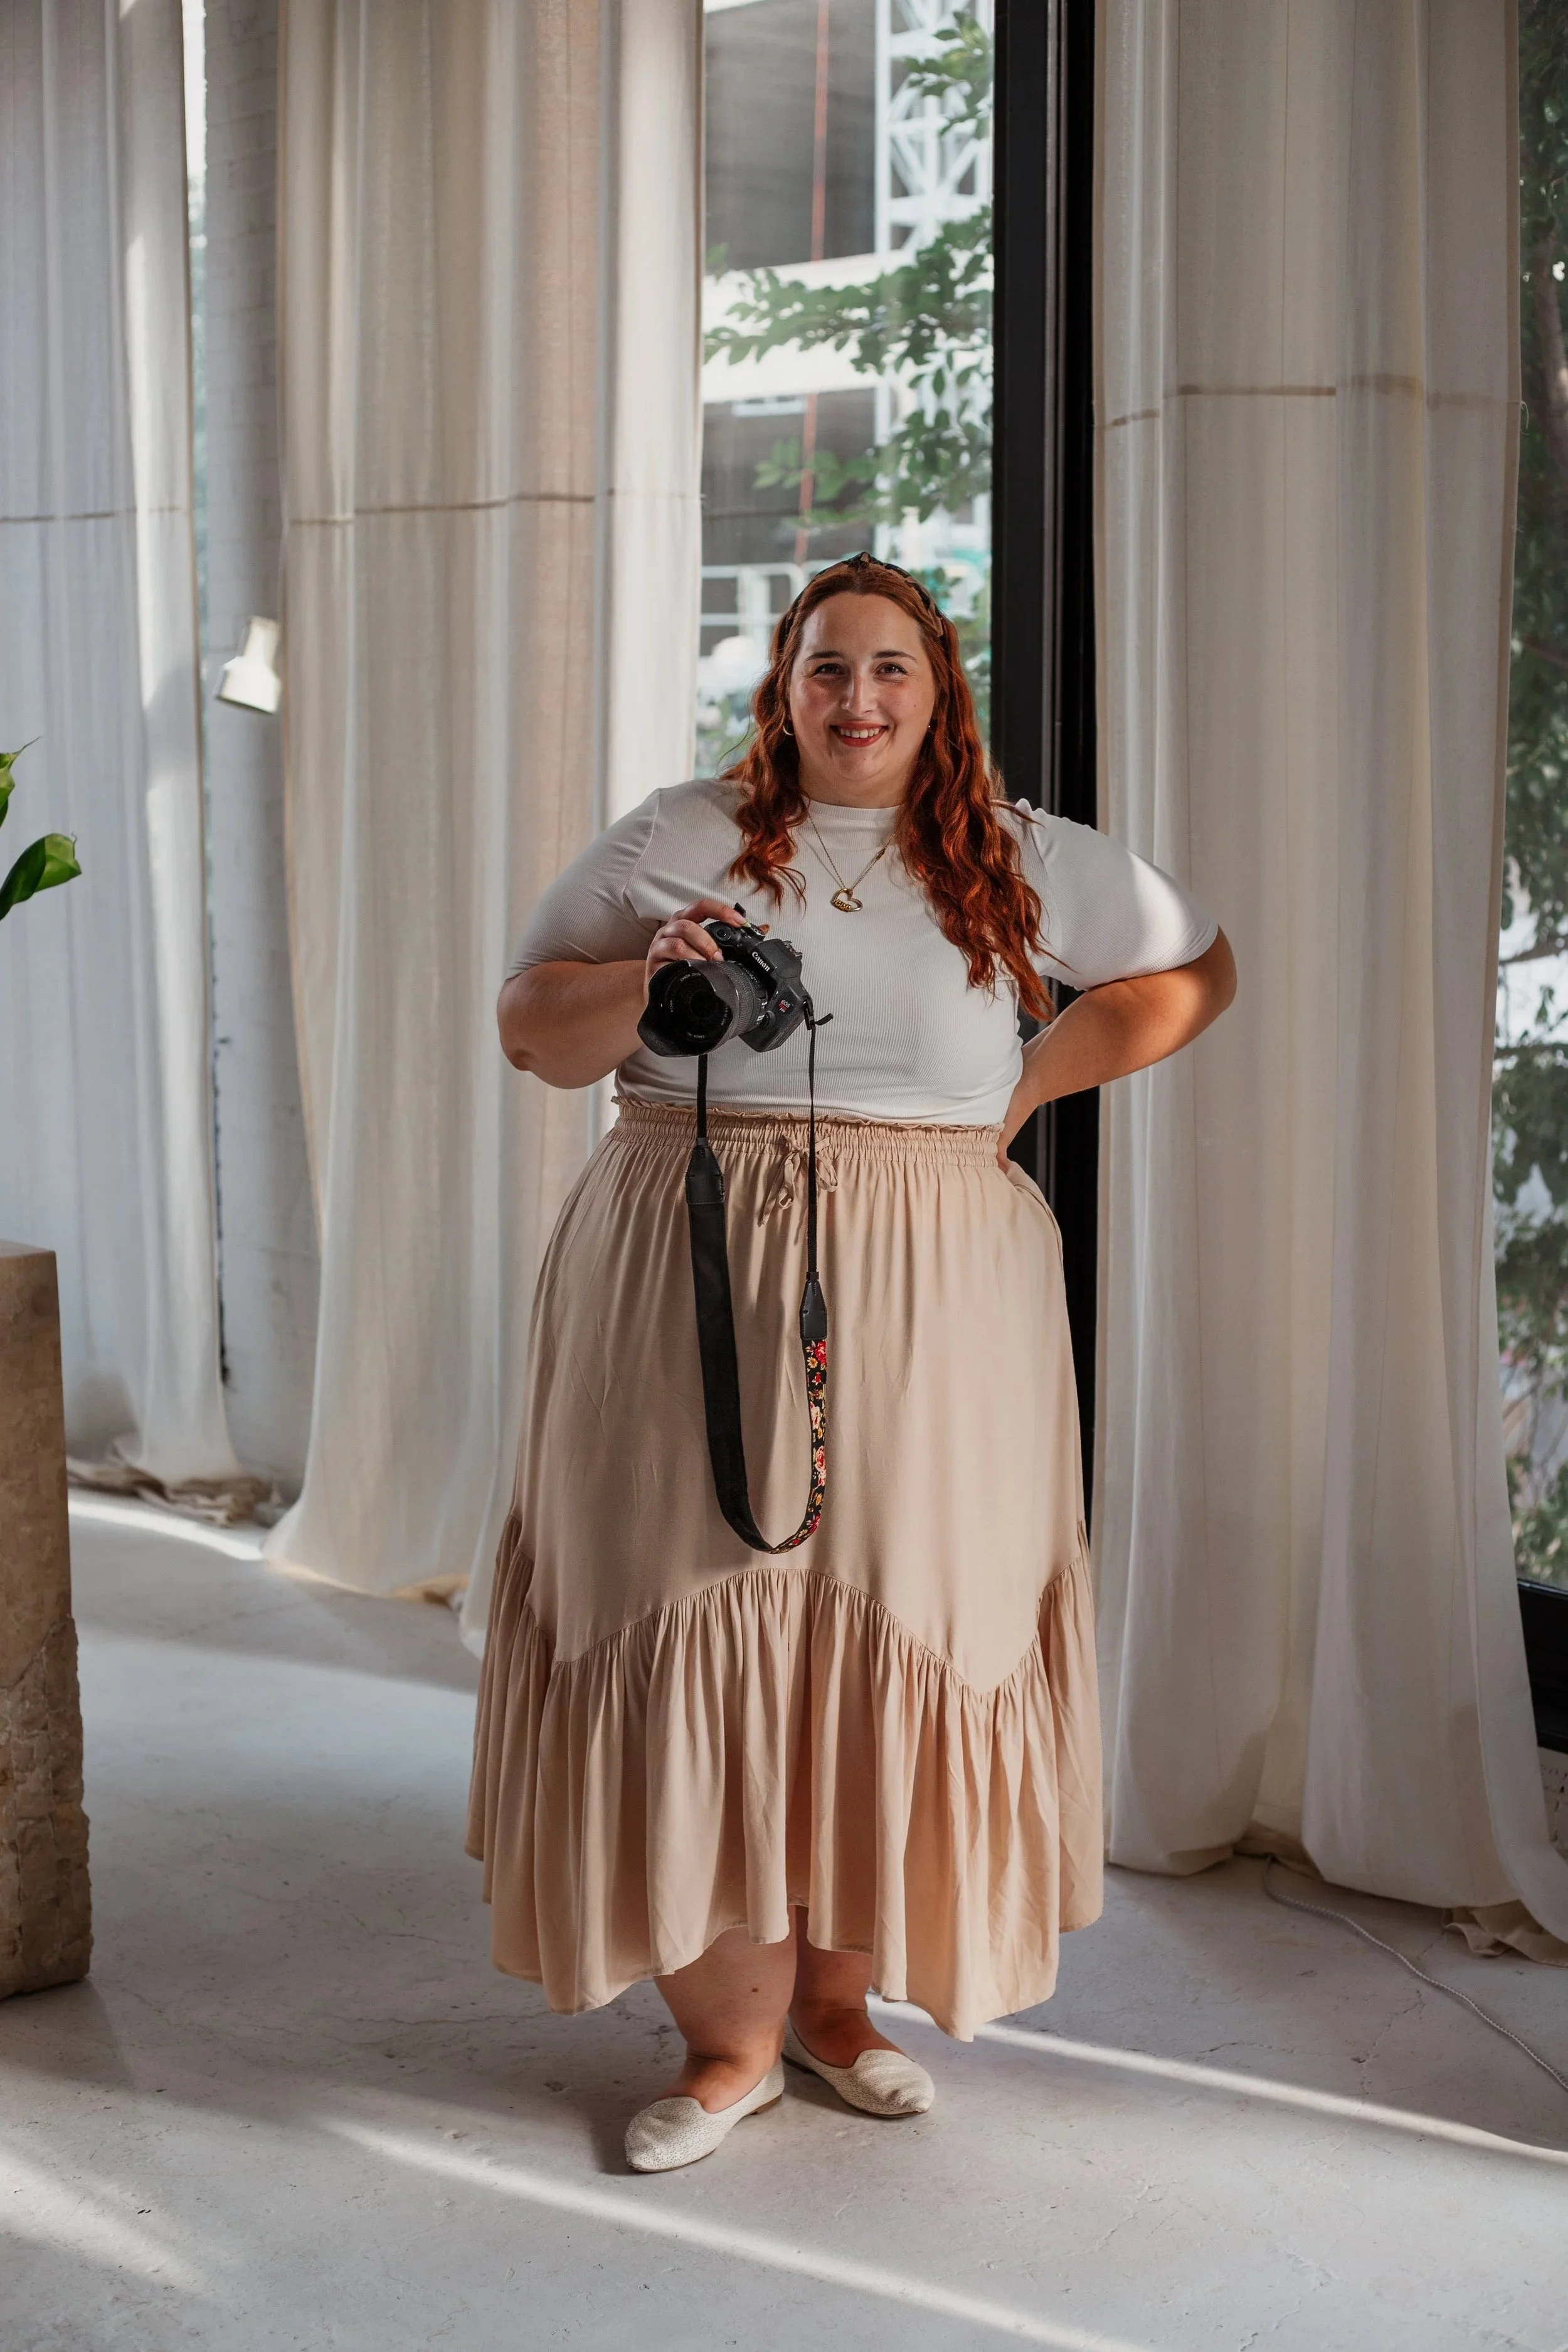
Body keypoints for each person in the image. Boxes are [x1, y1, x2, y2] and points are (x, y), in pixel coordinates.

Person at [468, 553, 1235, 2173]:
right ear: (782, 683)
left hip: (940, 1296)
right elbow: (531, 1026)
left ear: (935, 686)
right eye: (828, 667)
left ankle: (834, 2012)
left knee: (889, 1622)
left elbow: (1194, 970)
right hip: (685, 1271)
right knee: (686, 1604)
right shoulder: (676, 834)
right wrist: (648, 974)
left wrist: (1023, 1087)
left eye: (891, 668)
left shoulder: (1013, 857)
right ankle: (724, 2038)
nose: (859, 699)